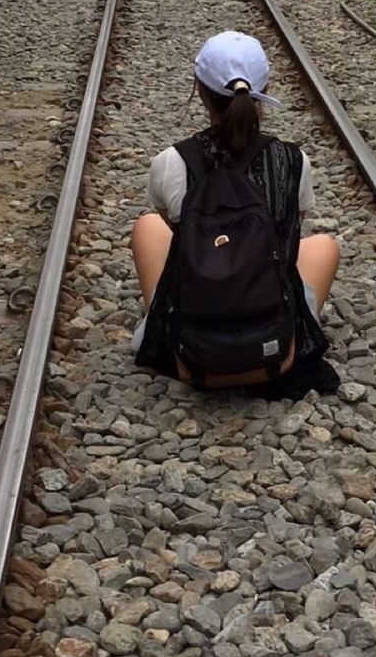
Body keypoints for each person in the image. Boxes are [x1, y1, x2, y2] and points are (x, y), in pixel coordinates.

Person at [131, 30, 339, 390]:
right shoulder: (293, 161)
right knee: (323, 246)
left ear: (199, 89)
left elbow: (177, 234)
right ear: (263, 89)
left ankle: (162, 320)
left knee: (149, 225)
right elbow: (288, 231)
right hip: (277, 353)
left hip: (188, 355)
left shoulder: (170, 162)